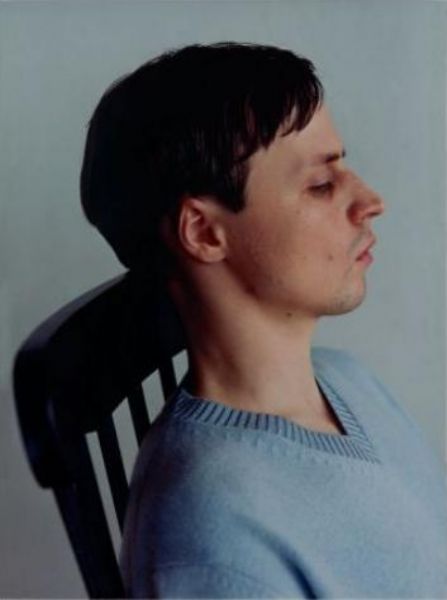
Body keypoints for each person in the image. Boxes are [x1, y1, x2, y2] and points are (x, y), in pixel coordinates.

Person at [80, 42, 447, 598]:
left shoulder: (347, 379)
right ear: (204, 232)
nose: (371, 201)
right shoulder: (211, 543)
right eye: (321, 185)